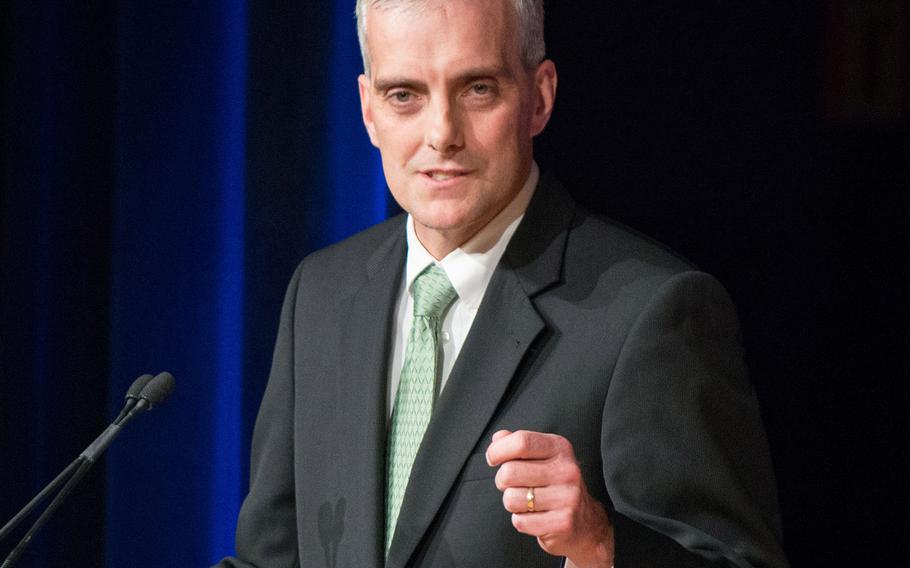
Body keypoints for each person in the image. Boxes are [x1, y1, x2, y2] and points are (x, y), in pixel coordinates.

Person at [215, 1, 789, 567]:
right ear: (368, 110)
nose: (442, 133)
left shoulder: (651, 312)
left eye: (478, 89)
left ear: (539, 97)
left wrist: (601, 544)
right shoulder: (321, 294)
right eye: (404, 96)